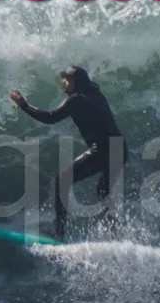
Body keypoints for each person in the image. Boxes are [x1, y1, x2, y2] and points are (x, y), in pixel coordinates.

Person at [11, 65, 124, 239]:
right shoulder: (96, 94)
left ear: (77, 82)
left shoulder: (76, 100)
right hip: (120, 149)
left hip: (103, 150)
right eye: (63, 78)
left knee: (61, 181)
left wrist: (23, 105)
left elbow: (50, 117)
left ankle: (59, 231)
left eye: (68, 79)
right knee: (102, 190)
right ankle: (113, 230)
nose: (64, 82)